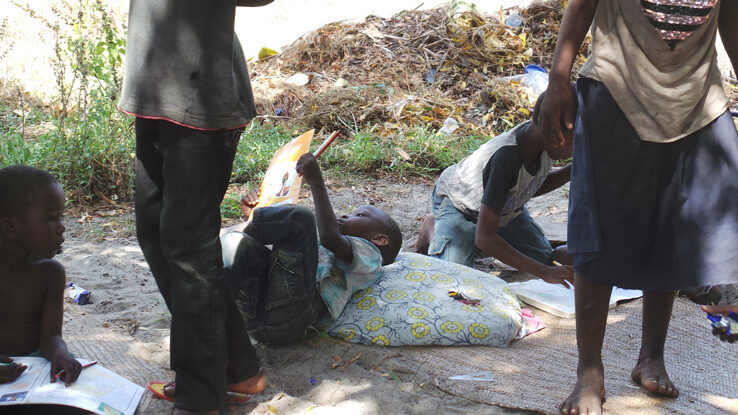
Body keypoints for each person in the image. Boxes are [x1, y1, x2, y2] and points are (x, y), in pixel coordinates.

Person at [538, 1, 738, 414]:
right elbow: (582, 5)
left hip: (697, 101)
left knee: (672, 227)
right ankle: (589, 369)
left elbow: (732, 16)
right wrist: (558, 78)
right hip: (616, 92)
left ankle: (651, 356)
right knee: (600, 231)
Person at [117, 1, 274, 413]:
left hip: (201, 97)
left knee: (188, 247)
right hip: (152, 89)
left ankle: (201, 394)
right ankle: (237, 366)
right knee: (155, 234)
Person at [219, 152, 402, 344]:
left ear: (379, 239)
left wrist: (316, 181)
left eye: (359, 215)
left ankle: (215, 235)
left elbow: (330, 237)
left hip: (290, 320)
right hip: (254, 313)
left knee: (301, 219)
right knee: (236, 242)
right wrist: (257, 214)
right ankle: (209, 319)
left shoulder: (371, 256)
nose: (345, 216)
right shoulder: (317, 249)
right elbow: (273, 263)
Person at [415, 93, 574, 287]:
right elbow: (485, 237)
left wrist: (573, 169)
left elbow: (531, 185)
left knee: (544, 259)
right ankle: (433, 228)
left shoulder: (542, 141)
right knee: (455, 278)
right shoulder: (506, 158)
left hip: (504, 210)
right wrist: (542, 272)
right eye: (576, 141)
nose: (578, 148)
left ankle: (472, 239)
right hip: (459, 206)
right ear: (554, 132)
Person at [0, 166, 81, 387]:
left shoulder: (51, 273)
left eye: (61, 216)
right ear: (10, 227)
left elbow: (51, 337)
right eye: (52, 218)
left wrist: (61, 353)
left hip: (34, 367)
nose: (62, 227)